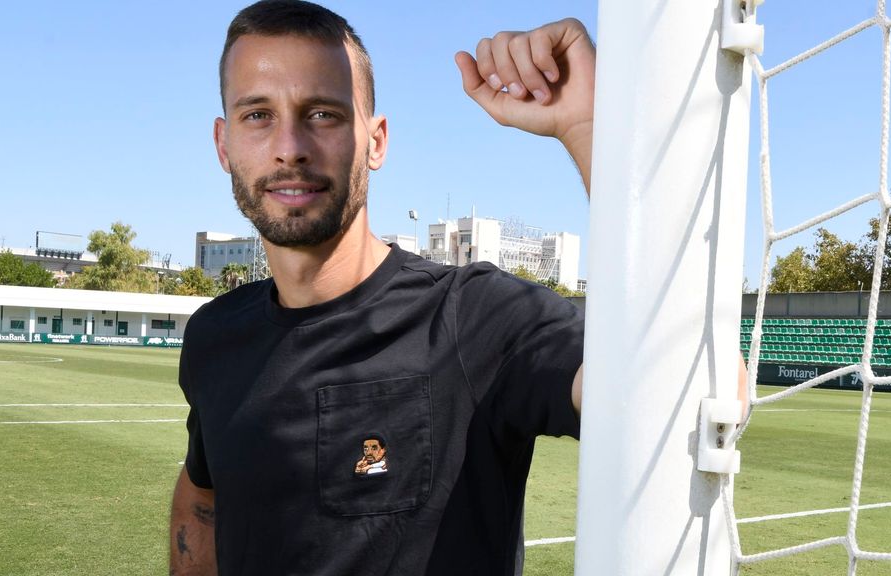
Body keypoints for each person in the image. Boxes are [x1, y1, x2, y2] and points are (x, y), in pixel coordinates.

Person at [169, 1, 595, 574]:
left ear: (376, 140)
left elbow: (684, 393)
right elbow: (202, 498)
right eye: (258, 115)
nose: (290, 146)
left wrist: (590, 132)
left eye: (323, 114)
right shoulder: (213, 336)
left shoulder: (478, 319)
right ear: (224, 145)